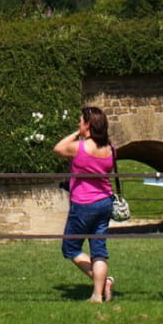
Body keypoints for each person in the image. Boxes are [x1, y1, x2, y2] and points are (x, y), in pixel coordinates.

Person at [54, 106, 117, 302]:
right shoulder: (110, 148)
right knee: (98, 249)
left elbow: (58, 148)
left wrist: (78, 134)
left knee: (70, 248)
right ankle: (97, 294)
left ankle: (103, 283)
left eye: (81, 121)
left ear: (88, 125)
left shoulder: (80, 147)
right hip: (105, 201)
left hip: (84, 204)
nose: (78, 124)